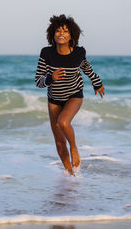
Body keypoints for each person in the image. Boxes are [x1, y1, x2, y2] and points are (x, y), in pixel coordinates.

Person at [35, 14, 105, 175]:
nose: (61, 33)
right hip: (54, 99)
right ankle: (71, 176)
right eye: (58, 30)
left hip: (74, 94)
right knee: (59, 143)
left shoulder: (78, 53)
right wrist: (51, 78)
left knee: (63, 123)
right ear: (52, 34)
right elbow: (38, 81)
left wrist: (97, 83)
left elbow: (87, 69)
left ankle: (74, 148)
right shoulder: (46, 53)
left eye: (65, 31)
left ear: (71, 35)